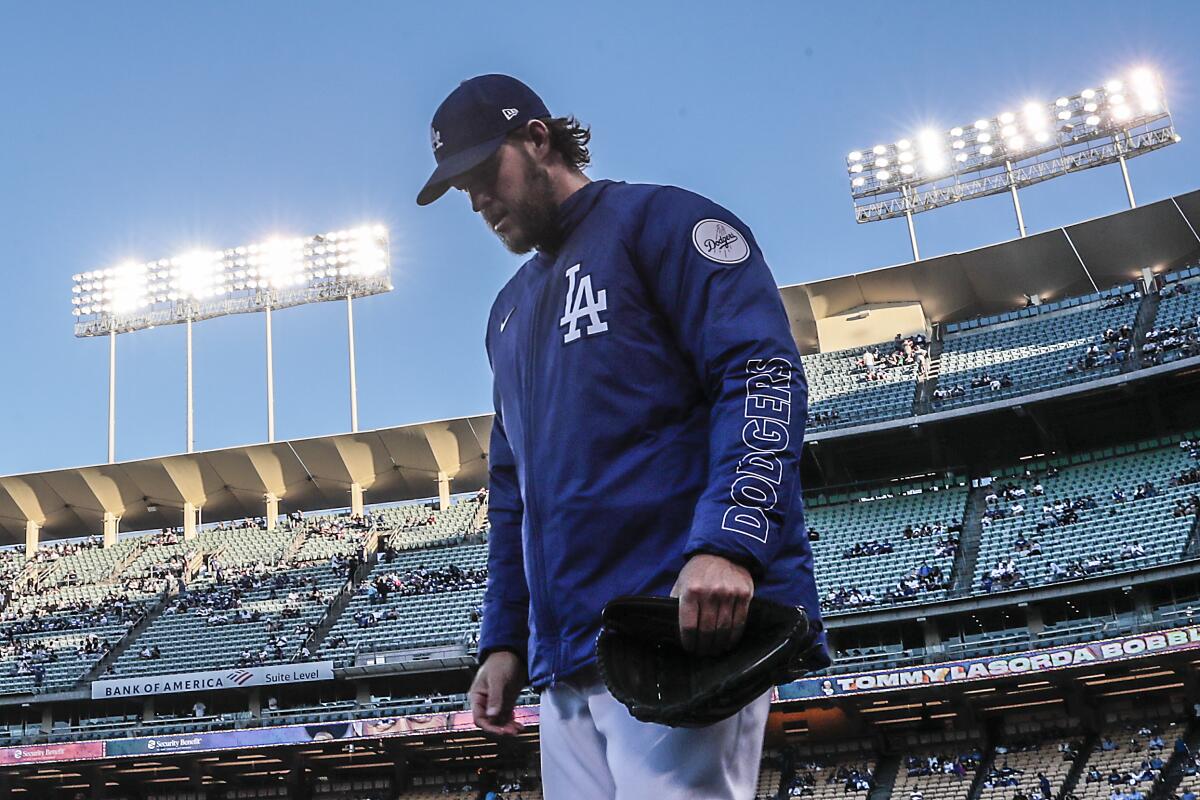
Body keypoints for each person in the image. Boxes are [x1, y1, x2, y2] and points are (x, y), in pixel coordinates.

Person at [419, 74, 828, 800]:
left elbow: (761, 376)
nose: (477, 200)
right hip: (568, 662)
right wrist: (505, 641)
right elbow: (514, 494)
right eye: (462, 190)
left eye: (485, 173)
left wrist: (727, 542)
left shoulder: (662, 224)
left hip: (676, 625)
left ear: (538, 139)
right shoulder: (507, 315)